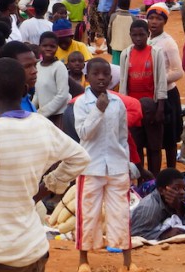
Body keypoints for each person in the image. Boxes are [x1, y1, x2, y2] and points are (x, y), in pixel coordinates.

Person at [0, 58, 91, 272]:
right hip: (36, 248)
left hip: (3, 255)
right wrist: (46, 187)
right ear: (25, 90)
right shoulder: (40, 124)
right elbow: (80, 157)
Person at [74, 57, 136, 272]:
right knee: (88, 212)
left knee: (120, 212)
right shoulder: (81, 103)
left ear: (111, 78)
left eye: (105, 74)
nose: (101, 78)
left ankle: (128, 261)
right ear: (87, 77)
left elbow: (122, 136)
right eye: (96, 74)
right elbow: (83, 133)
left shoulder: (118, 103)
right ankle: (84, 259)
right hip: (91, 166)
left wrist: (127, 163)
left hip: (117, 166)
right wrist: (98, 110)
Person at [120, 19, 167, 175]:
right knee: (136, 145)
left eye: (142, 35)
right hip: (133, 109)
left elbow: (161, 81)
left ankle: (155, 178)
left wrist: (160, 108)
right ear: (130, 36)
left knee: (154, 146)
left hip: (151, 107)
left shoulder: (156, 52)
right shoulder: (126, 54)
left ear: (148, 34)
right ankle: (141, 179)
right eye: (135, 35)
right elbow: (123, 83)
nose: (138, 38)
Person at [146, 3, 185, 169]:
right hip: (150, 96)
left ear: (165, 22)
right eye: (151, 18)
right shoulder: (145, 38)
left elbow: (178, 72)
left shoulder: (168, 43)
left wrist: (157, 80)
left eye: (158, 19)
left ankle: (171, 171)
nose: (154, 22)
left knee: (169, 139)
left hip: (168, 96)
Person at [130, 167, 185, 240]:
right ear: (161, 191)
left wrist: (178, 207)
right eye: (176, 188)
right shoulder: (150, 208)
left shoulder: (177, 202)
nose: (182, 192)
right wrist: (164, 235)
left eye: (184, 188)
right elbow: (135, 234)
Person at [34, 32, 71, 125]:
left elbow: (62, 95)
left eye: (52, 46)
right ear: (39, 47)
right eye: (45, 45)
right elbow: (37, 93)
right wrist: (32, 110)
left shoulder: (59, 67)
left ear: (57, 48)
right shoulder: (37, 66)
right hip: (44, 117)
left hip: (59, 116)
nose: (48, 49)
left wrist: (42, 112)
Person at [107, 0, 134, 67]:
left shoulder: (113, 16)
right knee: (127, 67)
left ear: (118, 5)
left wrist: (111, 42)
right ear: (129, 5)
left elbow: (109, 32)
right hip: (129, 47)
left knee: (116, 67)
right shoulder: (133, 18)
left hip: (116, 46)